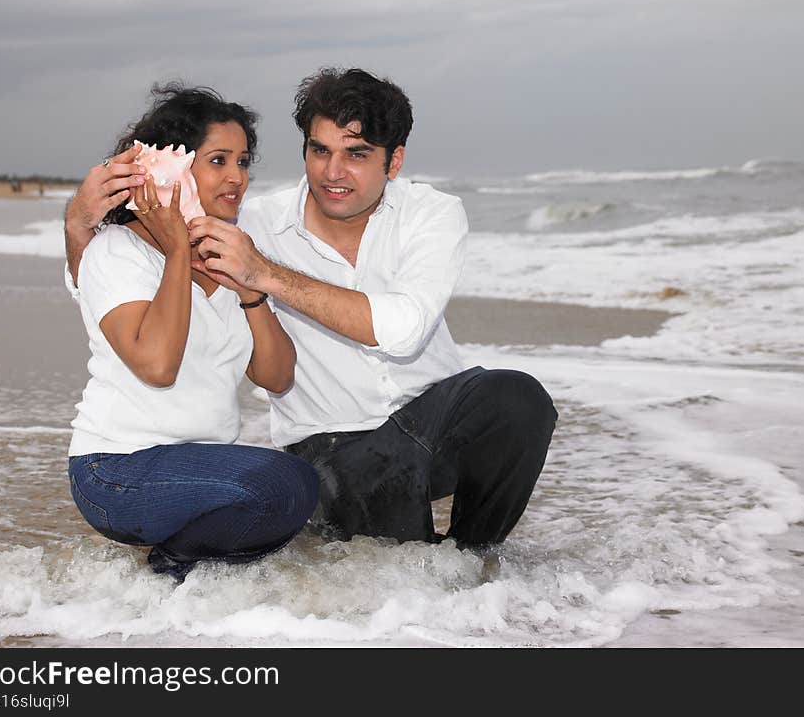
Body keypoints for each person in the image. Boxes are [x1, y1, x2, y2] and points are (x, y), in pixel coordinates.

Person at [65, 68, 557, 549]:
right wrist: (78, 226)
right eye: (319, 150)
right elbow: (115, 280)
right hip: (336, 451)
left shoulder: (430, 214)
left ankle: (472, 561)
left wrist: (261, 276)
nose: (333, 172)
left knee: (516, 398)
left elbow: (403, 329)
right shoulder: (247, 224)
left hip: (432, 423)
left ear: (395, 160)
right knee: (400, 582)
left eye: (357, 154)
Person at [65, 84, 319, 582]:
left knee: (304, 486)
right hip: (115, 471)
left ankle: (189, 575)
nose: (237, 178)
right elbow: (157, 365)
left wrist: (249, 289)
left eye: (243, 162)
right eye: (219, 160)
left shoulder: (230, 253)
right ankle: (171, 568)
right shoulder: (117, 251)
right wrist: (179, 251)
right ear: (171, 167)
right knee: (285, 486)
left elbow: (277, 376)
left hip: (195, 466)